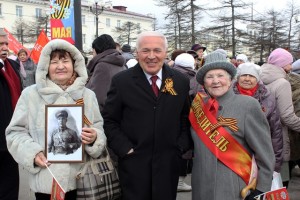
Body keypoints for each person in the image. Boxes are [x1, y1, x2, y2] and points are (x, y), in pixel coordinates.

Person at [6, 39, 107, 200]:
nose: (60, 66)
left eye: (65, 61)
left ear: (75, 64)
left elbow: (98, 127)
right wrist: (33, 153)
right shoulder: (31, 95)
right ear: (46, 66)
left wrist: (94, 137)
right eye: (54, 62)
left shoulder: (88, 96)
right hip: (46, 182)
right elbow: (15, 133)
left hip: (82, 181)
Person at [102, 31, 192, 200]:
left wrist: (179, 146)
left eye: (157, 50)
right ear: (137, 53)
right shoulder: (122, 81)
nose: (151, 56)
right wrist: (125, 149)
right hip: (134, 164)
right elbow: (109, 120)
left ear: (165, 53)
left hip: (167, 164)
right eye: (145, 51)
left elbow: (185, 117)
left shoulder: (180, 81)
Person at [190, 52, 275, 200]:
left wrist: (261, 188)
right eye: (209, 77)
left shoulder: (247, 105)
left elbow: (265, 152)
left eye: (221, 75)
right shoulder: (197, 106)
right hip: (201, 185)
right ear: (204, 83)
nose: (215, 81)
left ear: (230, 80)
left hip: (233, 186)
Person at [232, 63, 283, 174]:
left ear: (257, 79)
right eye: (243, 75)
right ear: (238, 77)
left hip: (259, 153)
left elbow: (275, 132)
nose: (247, 79)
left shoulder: (267, 98)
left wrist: (276, 164)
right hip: (232, 153)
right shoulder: (228, 94)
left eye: (251, 76)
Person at [260, 48, 300, 187]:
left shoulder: (259, 77)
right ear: (282, 64)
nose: (291, 66)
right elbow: (287, 116)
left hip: (261, 135)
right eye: (289, 63)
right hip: (279, 136)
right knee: (280, 183)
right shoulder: (282, 83)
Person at [0, 28, 22, 200]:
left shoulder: (13, 65)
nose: (5, 47)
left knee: (11, 184)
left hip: (12, 136)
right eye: (0, 44)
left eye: (6, 43)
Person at [86, 34, 126, 113]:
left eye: (93, 51)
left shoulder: (102, 66)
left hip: (103, 118)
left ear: (97, 49)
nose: (92, 54)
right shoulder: (120, 64)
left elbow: (98, 97)